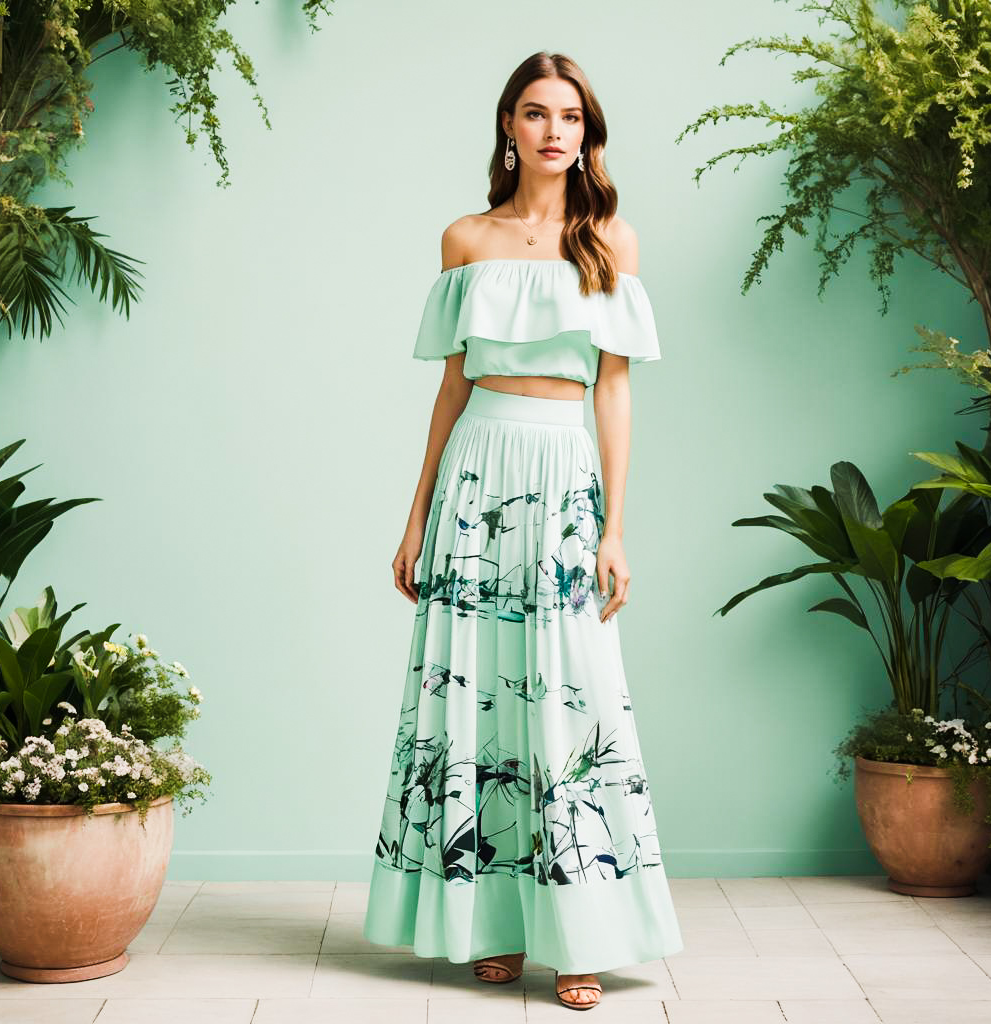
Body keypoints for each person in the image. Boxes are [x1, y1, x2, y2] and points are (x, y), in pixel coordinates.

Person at [363, 50, 684, 1011]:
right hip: (476, 469)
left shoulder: (611, 242)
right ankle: (493, 927)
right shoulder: (466, 238)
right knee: (475, 695)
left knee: (568, 699)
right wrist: (416, 514)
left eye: (572, 117)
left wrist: (614, 529)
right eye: (537, 113)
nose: (555, 131)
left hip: (563, 469)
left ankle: (578, 936)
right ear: (509, 125)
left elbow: (615, 390)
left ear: (588, 133)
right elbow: (451, 384)